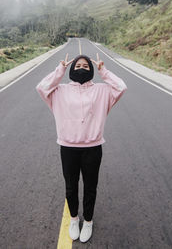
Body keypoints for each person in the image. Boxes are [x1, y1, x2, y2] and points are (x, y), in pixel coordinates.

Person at [35, 52, 127, 243]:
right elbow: (42, 87)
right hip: (68, 148)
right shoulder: (59, 91)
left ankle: (89, 222)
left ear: (92, 70)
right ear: (71, 70)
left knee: (90, 187)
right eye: (77, 66)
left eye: (86, 66)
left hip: (93, 148)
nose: (82, 69)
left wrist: (104, 72)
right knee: (70, 187)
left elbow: (121, 87)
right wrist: (59, 70)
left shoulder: (102, 91)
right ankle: (74, 219)